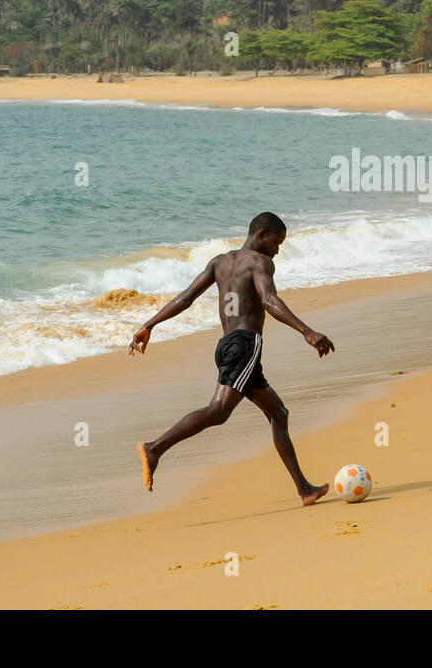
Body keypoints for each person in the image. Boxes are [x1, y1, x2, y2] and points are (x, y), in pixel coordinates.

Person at [130, 212, 335, 504]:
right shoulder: (261, 262)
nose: (277, 250)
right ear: (261, 234)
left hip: (226, 344)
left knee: (278, 413)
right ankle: (154, 448)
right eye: (276, 242)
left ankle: (304, 489)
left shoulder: (219, 262)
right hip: (245, 346)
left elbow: (185, 298)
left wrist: (149, 325)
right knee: (218, 411)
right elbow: (268, 300)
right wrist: (307, 331)